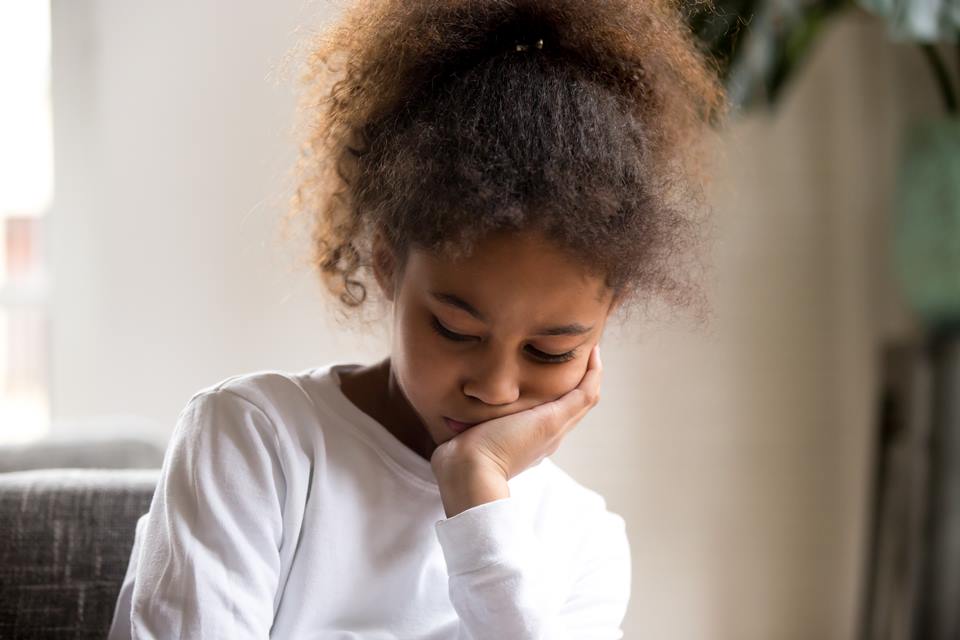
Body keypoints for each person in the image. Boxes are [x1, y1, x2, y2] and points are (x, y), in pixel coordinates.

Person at [107, 0, 726, 637]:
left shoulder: (582, 541)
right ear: (386, 265)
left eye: (548, 351)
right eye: (456, 330)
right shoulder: (257, 442)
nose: (496, 388)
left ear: (606, 318)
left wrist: (477, 493)